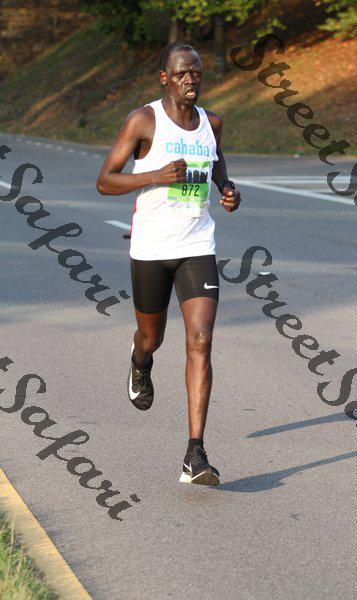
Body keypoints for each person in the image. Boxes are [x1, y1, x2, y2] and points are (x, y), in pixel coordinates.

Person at [97, 41, 241, 486]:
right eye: (181, 73)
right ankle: (140, 359)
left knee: (201, 340)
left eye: (196, 72)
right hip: (151, 249)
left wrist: (228, 190)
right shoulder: (144, 121)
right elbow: (105, 181)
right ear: (165, 78)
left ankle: (195, 453)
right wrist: (155, 176)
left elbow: (217, 165)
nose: (190, 80)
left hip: (197, 244)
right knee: (152, 336)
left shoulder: (211, 124)